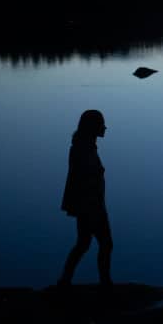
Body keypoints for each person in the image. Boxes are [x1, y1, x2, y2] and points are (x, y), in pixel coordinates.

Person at [58, 109, 113, 287]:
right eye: (101, 124)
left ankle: (65, 280)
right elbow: (84, 179)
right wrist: (93, 205)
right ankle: (105, 283)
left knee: (83, 244)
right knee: (105, 244)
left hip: (90, 205)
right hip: (91, 206)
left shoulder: (85, 146)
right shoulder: (82, 149)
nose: (104, 128)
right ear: (93, 127)